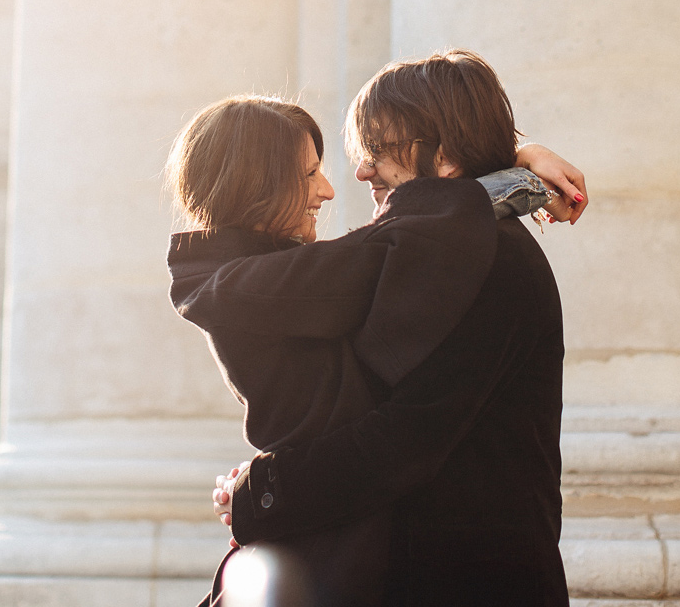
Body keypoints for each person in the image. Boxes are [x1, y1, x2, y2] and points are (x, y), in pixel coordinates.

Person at [166, 93, 562, 607]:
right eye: (309, 175)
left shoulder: (261, 278)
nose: (330, 190)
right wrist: (512, 177)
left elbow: (404, 243)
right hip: (338, 565)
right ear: (259, 184)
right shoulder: (252, 285)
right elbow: (406, 245)